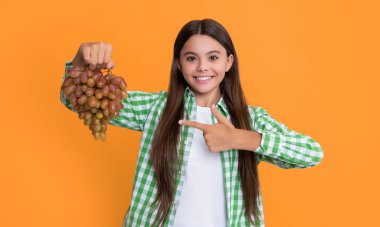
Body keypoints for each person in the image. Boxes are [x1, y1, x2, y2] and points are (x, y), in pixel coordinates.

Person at [60, 18, 324, 227]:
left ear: (229, 62)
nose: (202, 67)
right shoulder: (155, 109)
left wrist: (241, 138)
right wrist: (82, 61)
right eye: (191, 58)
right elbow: (74, 100)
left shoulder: (249, 119)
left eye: (213, 57)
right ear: (179, 63)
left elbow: (312, 153)